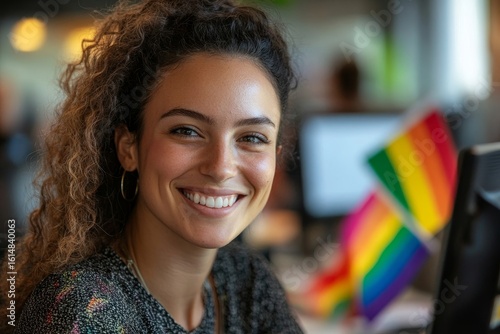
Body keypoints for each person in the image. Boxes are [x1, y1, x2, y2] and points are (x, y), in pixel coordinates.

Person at [0, 0, 304, 333]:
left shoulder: (247, 279)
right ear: (129, 147)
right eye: (186, 131)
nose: (221, 167)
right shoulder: (83, 309)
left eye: (252, 137)